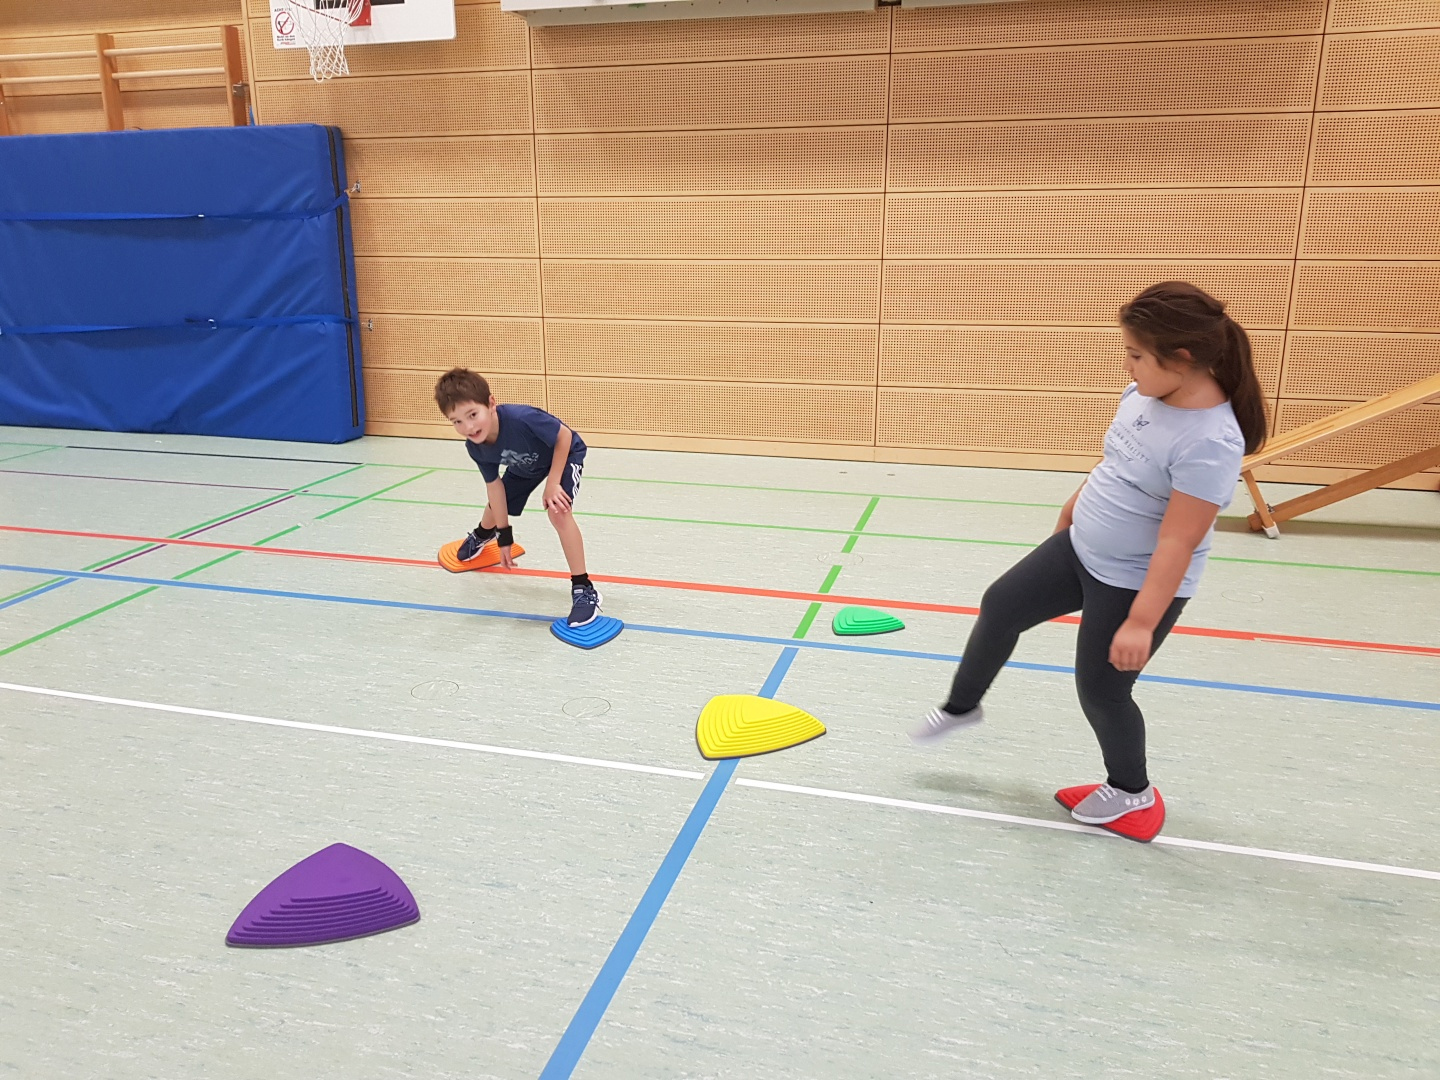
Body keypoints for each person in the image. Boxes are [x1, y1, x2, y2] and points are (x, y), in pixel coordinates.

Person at [910, 282, 1266, 829]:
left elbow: (1179, 540)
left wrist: (1141, 622)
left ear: (1181, 358)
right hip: (1081, 546)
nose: (1127, 365)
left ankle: (1132, 792)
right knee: (1001, 604)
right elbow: (1115, 465)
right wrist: (1072, 509)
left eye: (1136, 355)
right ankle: (962, 707)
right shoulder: (1143, 394)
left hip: (1133, 580)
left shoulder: (1210, 443)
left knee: (1102, 691)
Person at [433, 368, 601, 628]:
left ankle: (584, 588)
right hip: (526, 464)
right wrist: (504, 537)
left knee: (558, 511)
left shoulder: (522, 418)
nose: (468, 427)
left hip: (564, 454)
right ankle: (483, 534)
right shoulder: (475, 447)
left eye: (473, 415)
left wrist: (553, 483)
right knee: (497, 503)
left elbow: (564, 436)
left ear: (491, 404)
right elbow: (495, 488)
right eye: (457, 422)